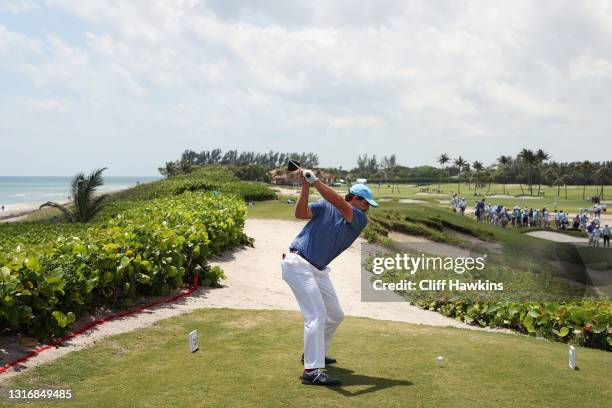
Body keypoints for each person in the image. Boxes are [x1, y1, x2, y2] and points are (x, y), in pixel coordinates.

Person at [282, 169, 377, 386]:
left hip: (319, 270)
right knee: (316, 315)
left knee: (335, 315)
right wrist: (306, 185)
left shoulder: (359, 219)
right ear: (356, 198)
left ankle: (313, 353)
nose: (368, 208)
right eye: (366, 203)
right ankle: (312, 371)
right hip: (298, 263)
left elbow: (338, 202)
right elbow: (300, 213)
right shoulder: (325, 206)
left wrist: (315, 181)